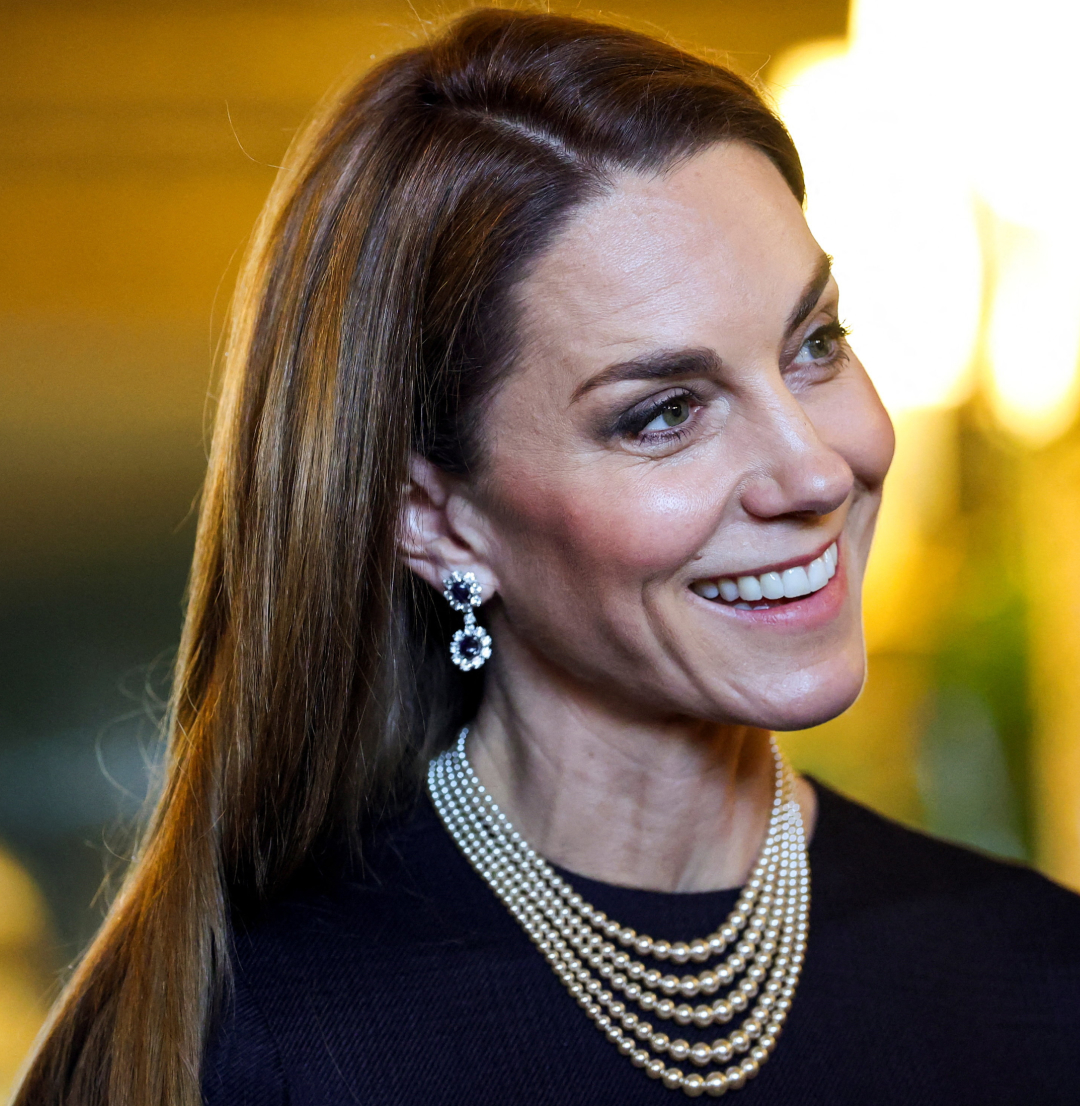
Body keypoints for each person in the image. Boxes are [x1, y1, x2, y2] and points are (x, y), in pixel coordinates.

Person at [15, 9, 1080, 1106]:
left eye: (816, 344)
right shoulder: (239, 1048)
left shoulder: (1041, 979)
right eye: (666, 412)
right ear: (434, 518)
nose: (815, 470)